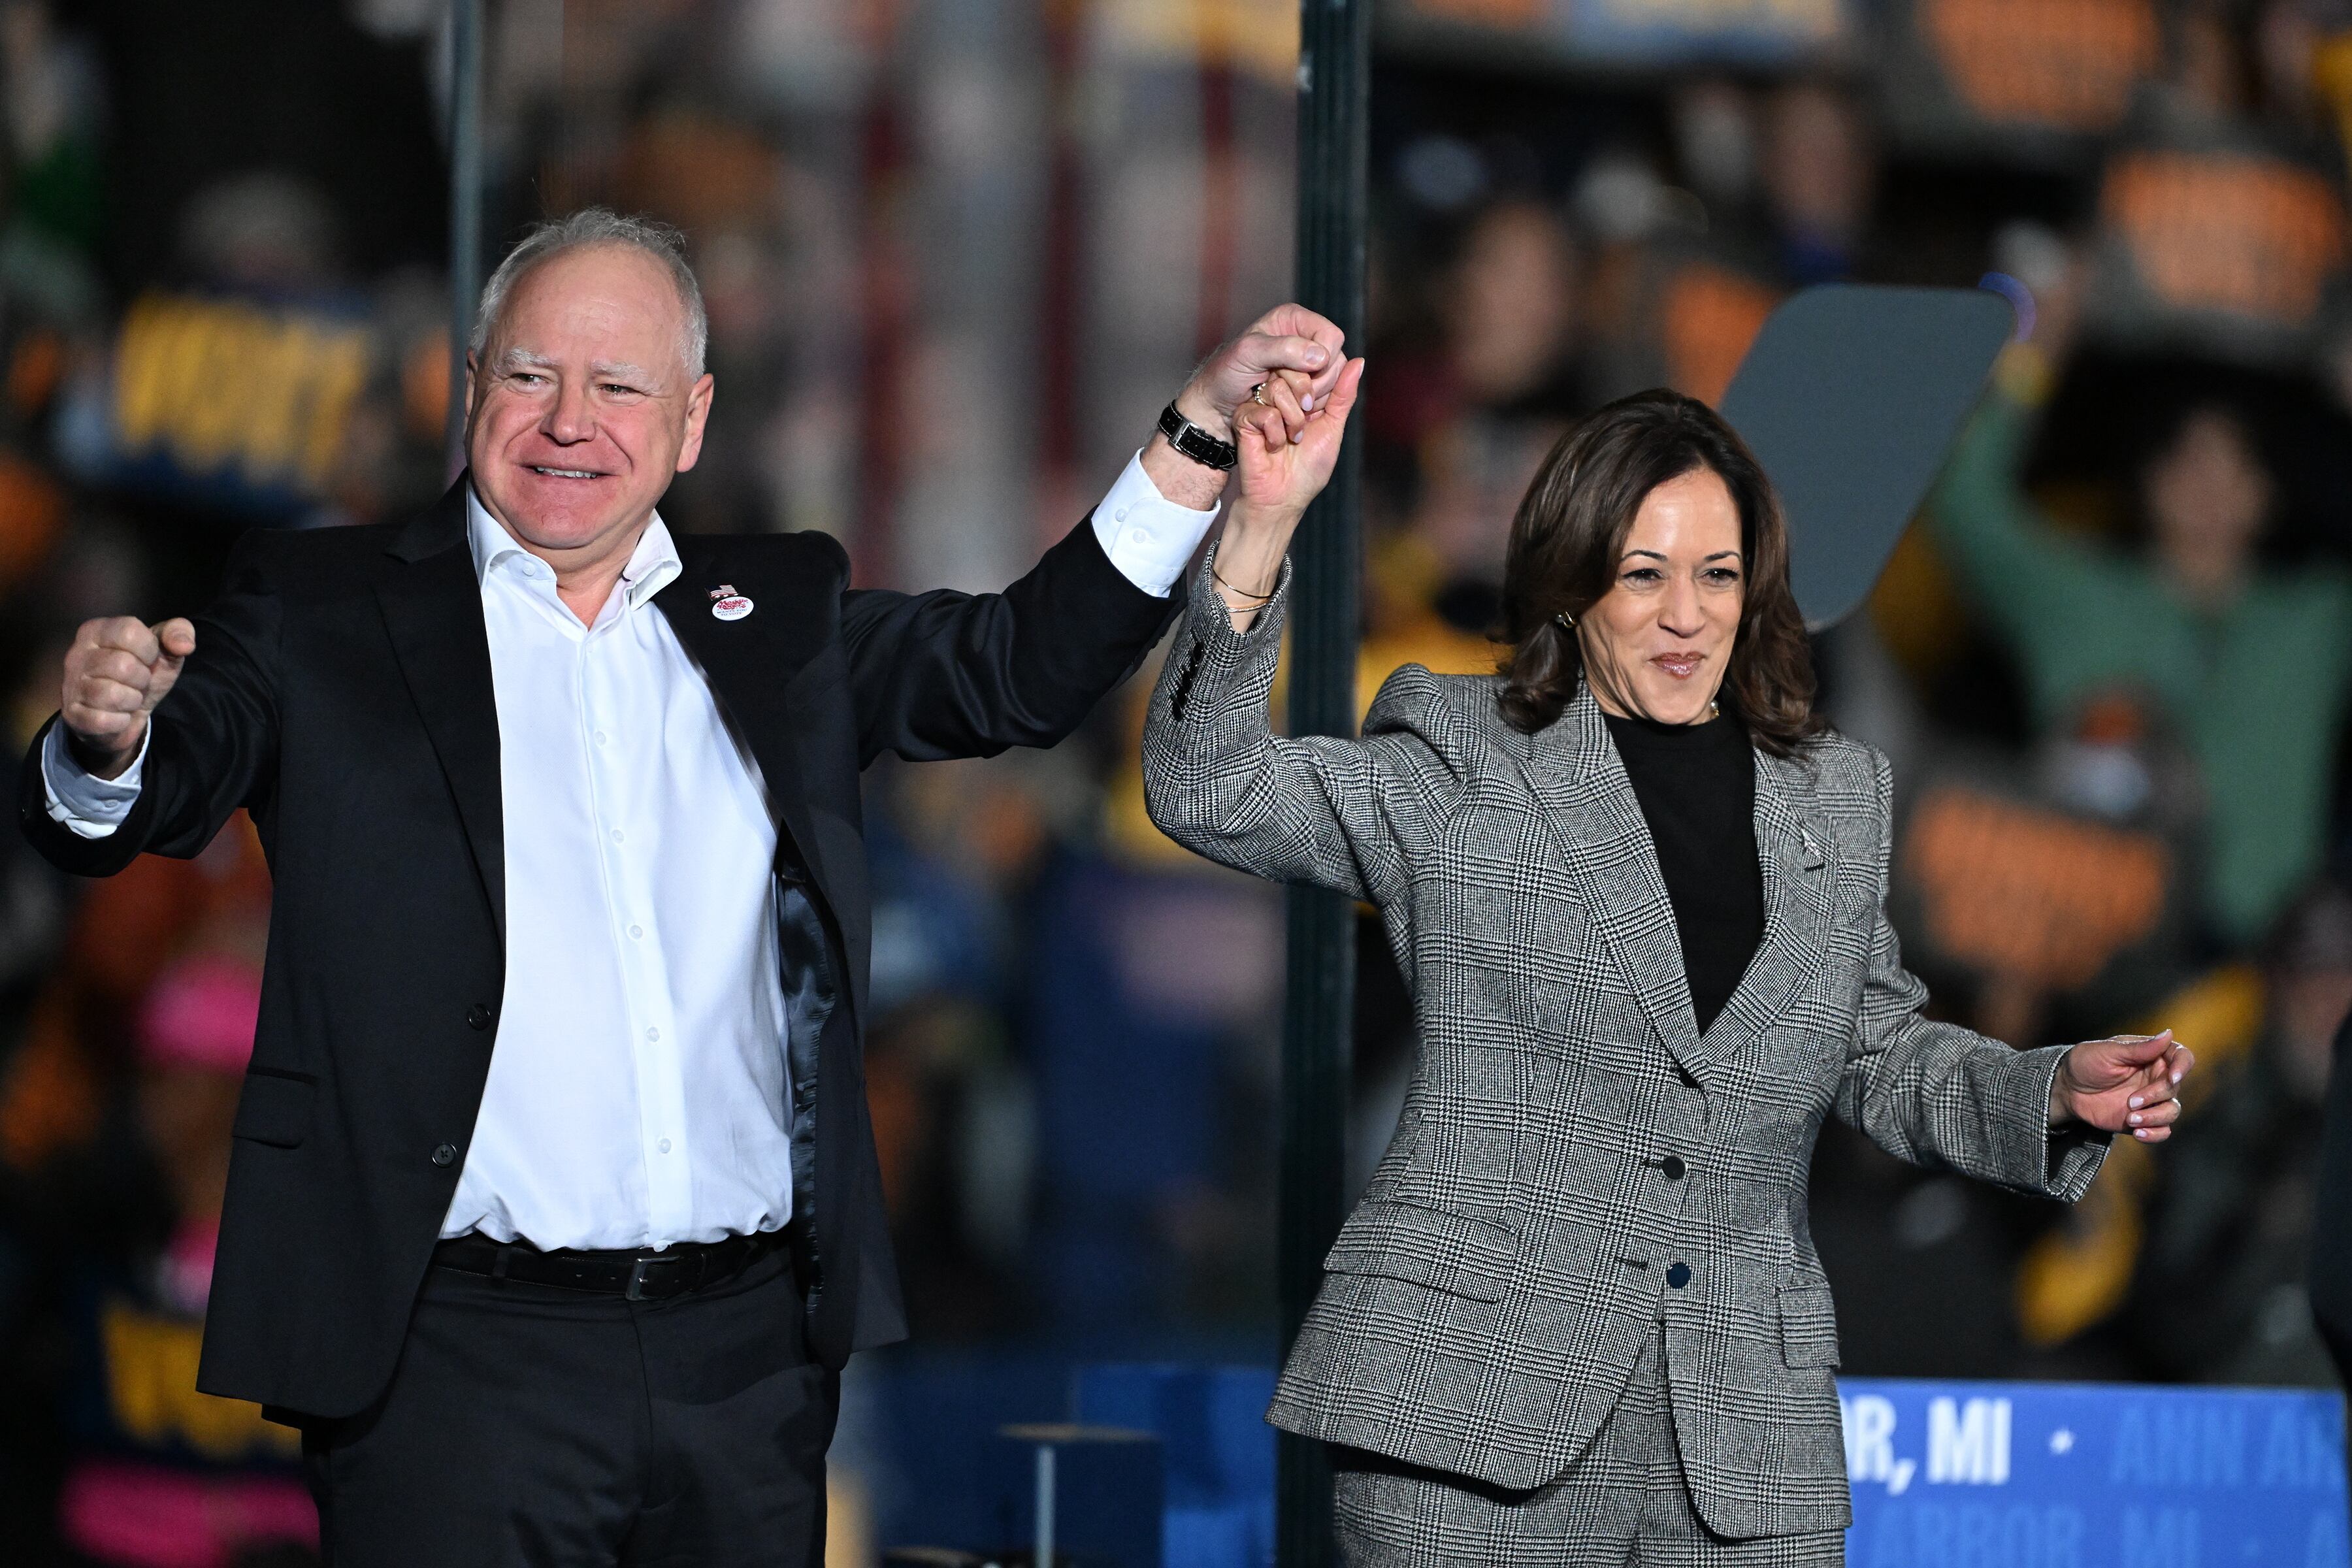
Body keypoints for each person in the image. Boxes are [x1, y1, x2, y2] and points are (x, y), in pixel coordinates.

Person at [17, 206, 1350, 1567]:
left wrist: (1195, 437)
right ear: (474, 389)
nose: (569, 421)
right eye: (532, 375)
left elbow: (1017, 667)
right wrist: (107, 741)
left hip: (743, 1369)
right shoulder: (325, 609)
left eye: (618, 385)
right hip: (454, 1369)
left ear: (692, 419)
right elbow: (162, 772)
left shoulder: (779, 616)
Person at [1143, 382, 2194, 1564]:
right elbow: (1209, 786)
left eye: (1719, 574)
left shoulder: (1837, 796)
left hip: (1743, 1448)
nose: (1686, 616)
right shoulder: (1465, 757)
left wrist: (2046, 1092)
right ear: (1571, 582)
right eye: (1644, 574)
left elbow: (1877, 1053)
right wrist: (1258, 531)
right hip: (1473, 1417)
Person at [1929, 349, 2352, 949]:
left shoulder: (2315, 619)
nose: (2209, 488)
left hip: (2263, 959)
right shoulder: (2080, 598)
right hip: (2096, 944)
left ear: (2269, 487)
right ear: (2149, 477)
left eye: (2236, 464)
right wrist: (2030, 360)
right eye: (2187, 460)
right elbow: (1967, 506)